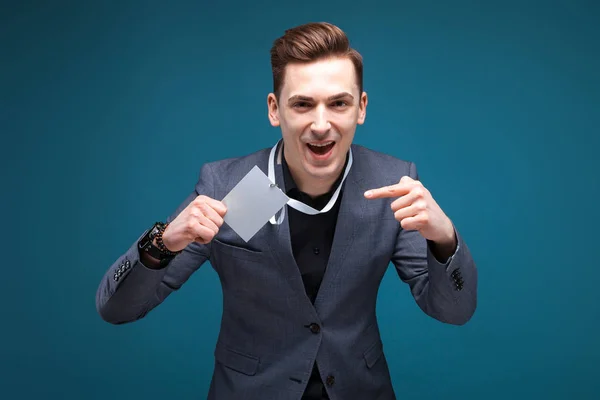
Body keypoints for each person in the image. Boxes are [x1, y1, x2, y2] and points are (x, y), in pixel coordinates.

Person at [96, 21, 477, 400]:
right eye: (303, 104)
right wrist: (162, 242)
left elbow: (453, 311)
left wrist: (444, 238)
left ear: (361, 108)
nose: (321, 124)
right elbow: (116, 309)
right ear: (275, 109)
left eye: (339, 103)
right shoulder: (236, 190)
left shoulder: (391, 183)